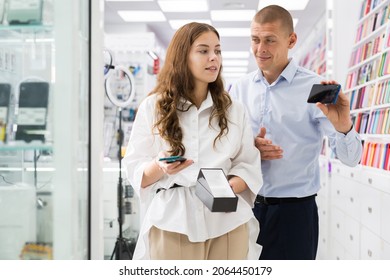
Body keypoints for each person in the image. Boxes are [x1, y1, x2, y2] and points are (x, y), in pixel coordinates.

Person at [229, 5, 362, 260]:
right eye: (255, 40)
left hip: (295, 216)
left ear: (291, 40)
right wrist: (251, 149)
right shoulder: (240, 89)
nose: (260, 49)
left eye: (270, 40)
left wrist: (344, 126)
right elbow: (227, 151)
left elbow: (351, 159)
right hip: (246, 208)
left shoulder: (315, 88)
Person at [122, 22, 263, 260]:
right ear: (182, 56)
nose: (213, 58)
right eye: (203, 50)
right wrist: (161, 166)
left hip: (227, 220)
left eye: (217, 51)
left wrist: (228, 187)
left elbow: (247, 164)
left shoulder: (234, 110)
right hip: (173, 220)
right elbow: (135, 169)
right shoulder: (153, 108)